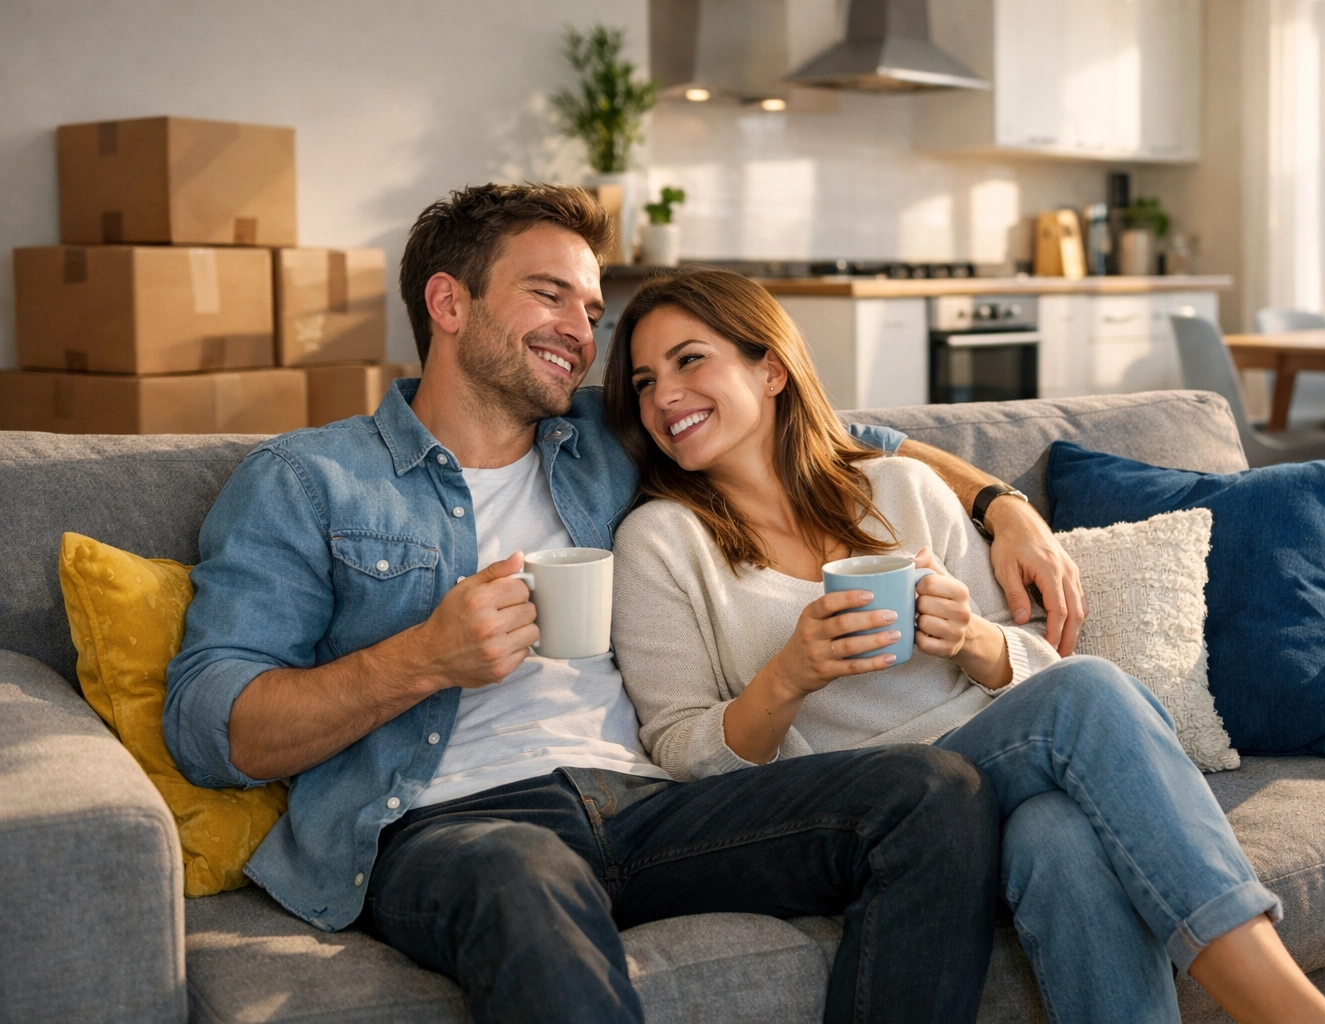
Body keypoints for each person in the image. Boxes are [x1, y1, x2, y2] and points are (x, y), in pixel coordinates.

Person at [161, 183, 1091, 1024]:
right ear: (449, 303)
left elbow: (825, 429)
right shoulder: (309, 480)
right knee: (521, 873)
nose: (583, 328)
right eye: (549, 295)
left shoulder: (609, 443)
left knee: (935, 792)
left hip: (648, 804)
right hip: (452, 824)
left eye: (593, 308)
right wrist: (423, 659)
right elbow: (212, 729)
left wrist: (1000, 505)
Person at [604, 268, 1325, 1024]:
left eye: (689, 360)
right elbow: (679, 749)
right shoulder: (661, 542)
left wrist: (973, 640)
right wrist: (786, 679)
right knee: (1090, 693)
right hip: (857, 808)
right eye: (643, 380)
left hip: (990, 763)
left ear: (770, 368)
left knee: (1059, 836)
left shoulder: (903, 488)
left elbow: (1032, 661)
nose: (663, 394)